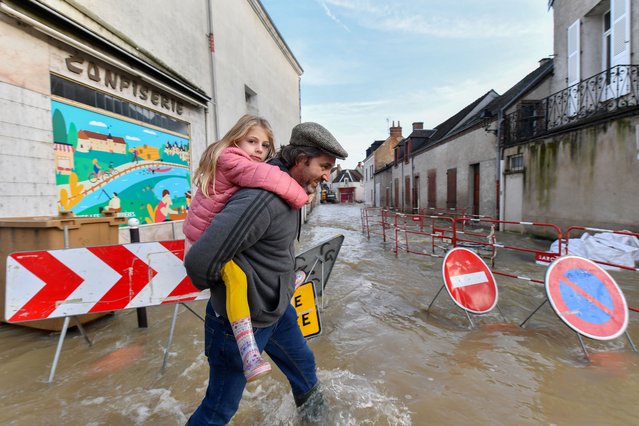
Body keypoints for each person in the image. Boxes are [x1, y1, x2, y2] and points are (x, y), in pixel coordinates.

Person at [185, 121, 348, 425]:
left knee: (304, 368)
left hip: (278, 310)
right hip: (241, 322)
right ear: (300, 160)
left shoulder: (290, 189)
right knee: (219, 409)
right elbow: (199, 262)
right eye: (324, 166)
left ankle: (318, 421)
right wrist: (239, 292)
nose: (327, 176)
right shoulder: (264, 199)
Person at [183, 114, 308, 382]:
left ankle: (285, 284)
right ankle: (248, 351)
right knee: (237, 279)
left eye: (264, 146)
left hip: (208, 232)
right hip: (202, 238)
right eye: (252, 141)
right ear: (236, 139)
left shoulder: (234, 162)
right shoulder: (232, 160)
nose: (259, 151)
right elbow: (268, 177)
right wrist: (300, 196)